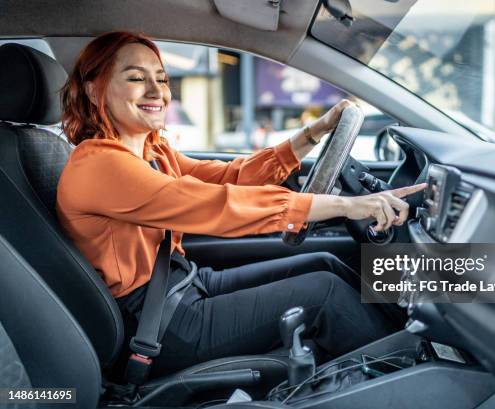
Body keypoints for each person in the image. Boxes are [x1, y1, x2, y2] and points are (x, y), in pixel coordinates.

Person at [56, 31, 426, 376]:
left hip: (180, 286)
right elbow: (216, 203)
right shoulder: (101, 164)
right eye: (137, 78)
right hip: (159, 326)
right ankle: (416, 377)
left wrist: (313, 132)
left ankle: (417, 333)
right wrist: (347, 206)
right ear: (93, 90)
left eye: (162, 78)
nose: (157, 90)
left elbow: (230, 177)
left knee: (324, 262)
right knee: (323, 294)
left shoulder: (151, 150)